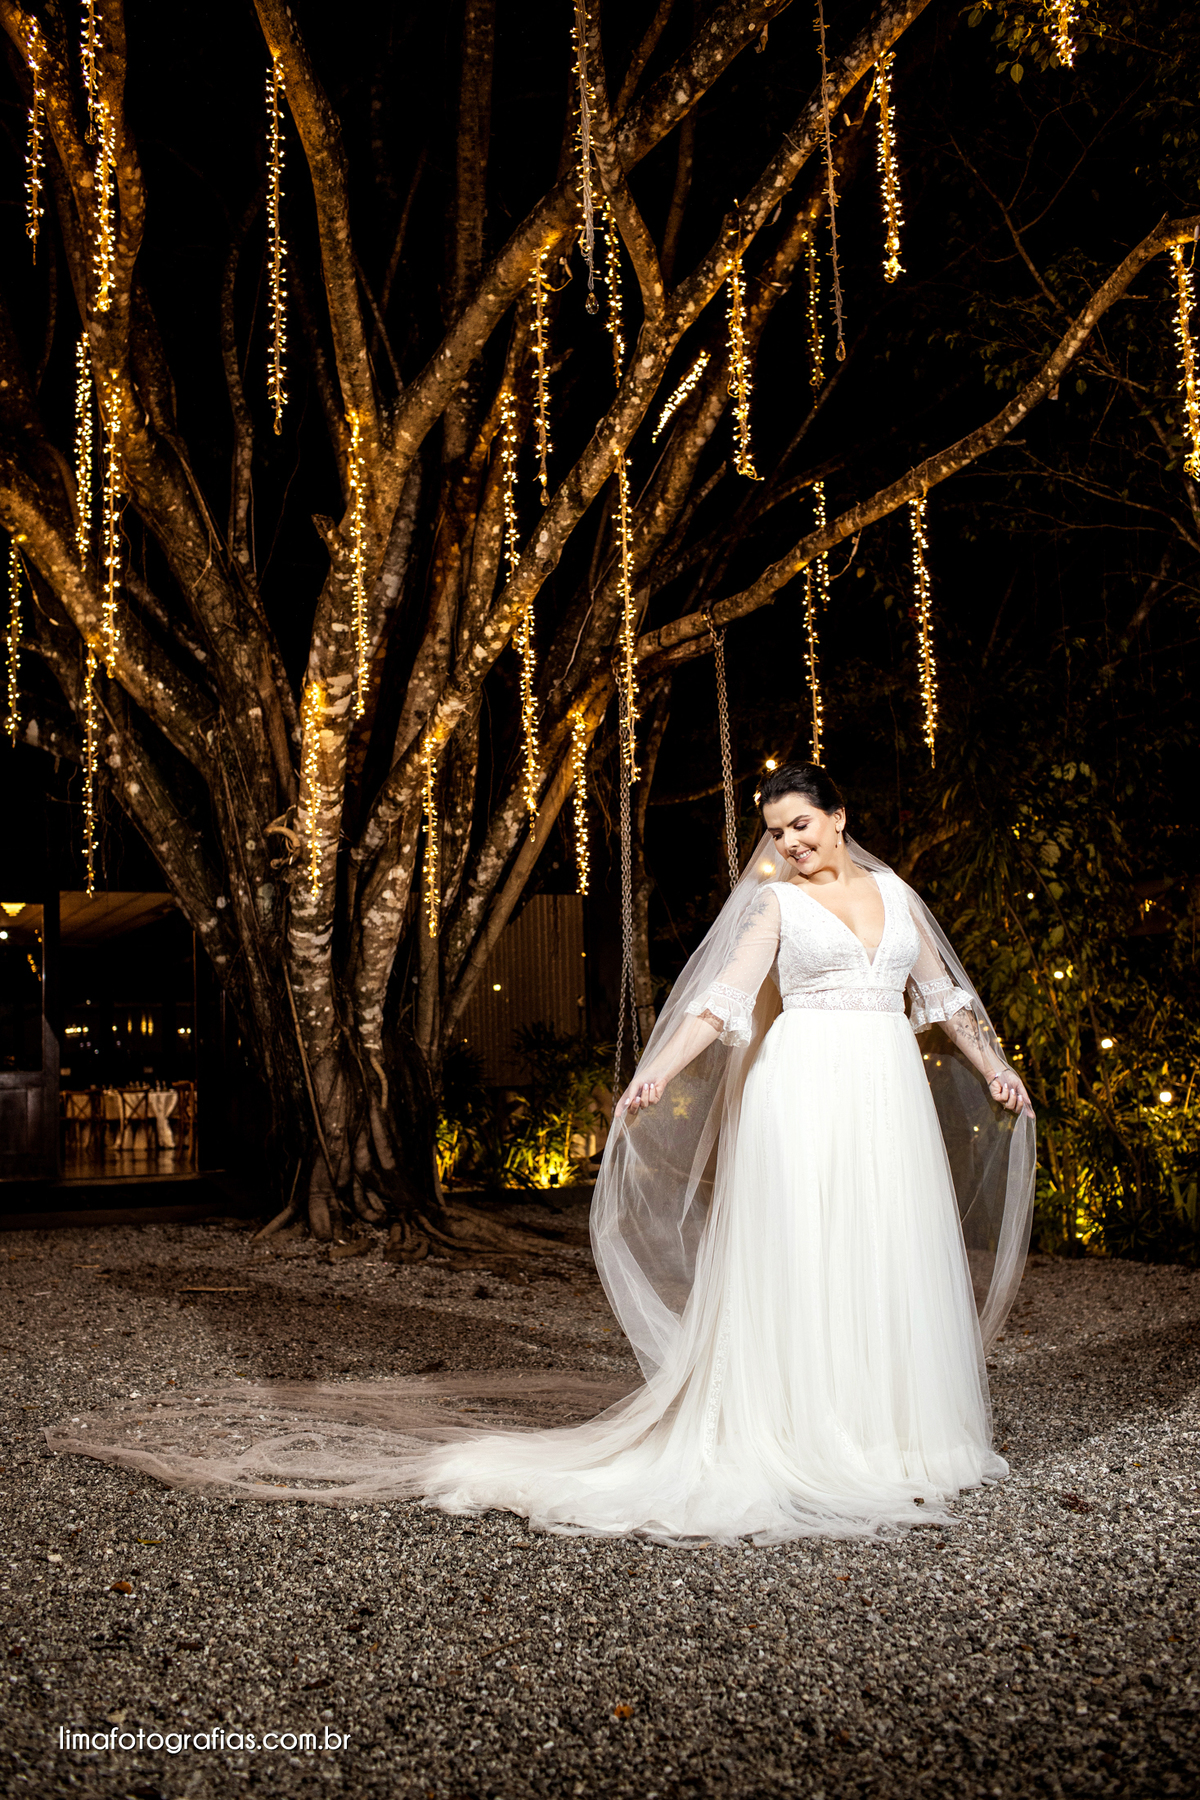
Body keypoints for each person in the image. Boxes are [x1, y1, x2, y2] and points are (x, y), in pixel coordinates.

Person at [49, 765, 1035, 1545]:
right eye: (776, 832)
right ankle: (806, 1430)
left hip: (885, 1094)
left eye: (801, 825)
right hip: (803, 1090)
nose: (788, 843)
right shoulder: (777, 906)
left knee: (881, 1248)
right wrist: (655, 1074)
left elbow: (945, 999)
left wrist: (995, 1068)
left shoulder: (897, 898)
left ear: (839, 817)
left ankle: (895, 1432)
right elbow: (722, 1002)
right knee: (806, 1253)